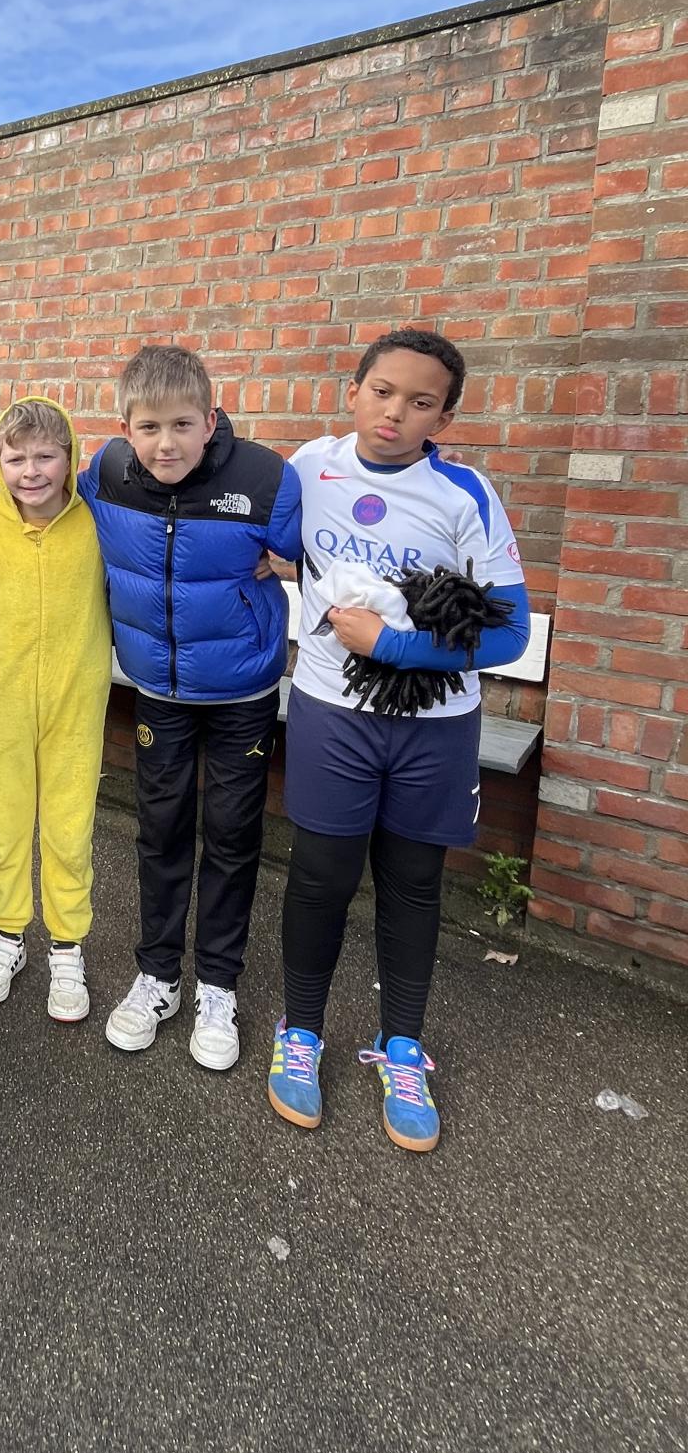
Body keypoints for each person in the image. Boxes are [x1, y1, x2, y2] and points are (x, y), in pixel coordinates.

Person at [267, 328, 529, 1153]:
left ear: (444, 417)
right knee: (320, 876)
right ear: (353, 391)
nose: (395, 412)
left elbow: (511, 633)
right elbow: (256, 533)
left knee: (413, 883)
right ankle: (301, 1031)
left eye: (421, 402)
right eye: (382, 391)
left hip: (434, 727)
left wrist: (395, 646)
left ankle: (403, 1047)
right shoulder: (310, 467)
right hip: (332, 713)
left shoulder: (464, 493)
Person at [79, 345, 302, 1069]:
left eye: (182, 425)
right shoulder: (107, 473)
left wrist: (292, 560)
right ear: (125, 428)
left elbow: (324, 553)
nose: (165, 444)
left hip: (242, 692)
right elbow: (32, 489)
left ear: (211, 420)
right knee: (161, 831)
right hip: (157, 689)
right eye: (148, 427)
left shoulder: (265, 478)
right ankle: (158, 977)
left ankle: (218, 986)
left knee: (233, 836)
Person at [0, 396, 111, 1021]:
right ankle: (7, 934)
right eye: (16, 458)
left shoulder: (97, 522)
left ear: (69, 458)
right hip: (2, 699)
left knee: (69, 824)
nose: (31, 471)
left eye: (45, 456)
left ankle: (67, 944)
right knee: (2, 819)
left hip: (76, 699)